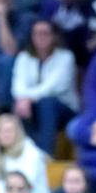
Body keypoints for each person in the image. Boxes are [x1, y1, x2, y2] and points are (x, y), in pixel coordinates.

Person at [11, 19, 79, 155]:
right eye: (36, 33)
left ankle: (45, 155)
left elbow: (53, 87)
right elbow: (17, 87)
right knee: (19, 105)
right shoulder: (24, 57)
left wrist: (28, 98)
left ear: (54, 36)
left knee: (47, 102)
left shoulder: (66, 57)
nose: (40, 37)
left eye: (45, 33)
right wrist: (25, 100)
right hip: (32, 108)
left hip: (64, 110)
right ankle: (27, 154)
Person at [0, 114, 51, 193]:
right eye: (1, 131)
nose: (5, 135)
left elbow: (23, 186)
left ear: (18, 133)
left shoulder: (31, 152)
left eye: (9, 131)